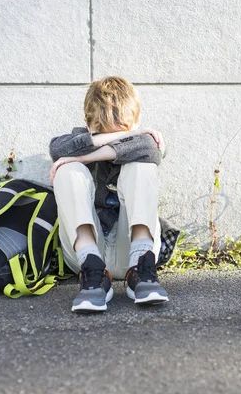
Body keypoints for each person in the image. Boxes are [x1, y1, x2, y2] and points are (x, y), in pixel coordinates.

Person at [48, 76, 176, 313]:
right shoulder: (78, 141)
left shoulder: (146, 140)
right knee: (67, 169)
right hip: (85, 253)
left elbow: (150, 148)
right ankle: (93, 273)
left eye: (123, 133)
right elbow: (58, 149)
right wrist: (83, 154)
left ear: (137, 122)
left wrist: (85, 157)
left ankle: (141, 269)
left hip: (130, 249)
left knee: (141, 164)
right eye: (104, 133)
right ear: (88, 125)